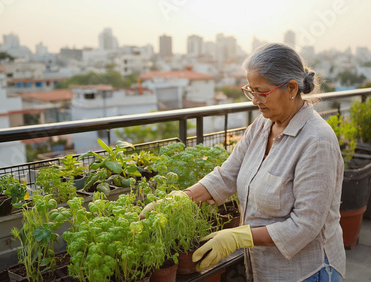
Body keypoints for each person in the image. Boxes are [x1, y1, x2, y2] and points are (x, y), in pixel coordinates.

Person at [142, 43, 346, 281]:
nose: (254, 101)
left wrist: (239, 237)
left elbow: (306, 225)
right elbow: (227, 174)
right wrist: (184, 197)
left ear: (291, 88)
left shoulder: (316, 141)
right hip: (265, 268)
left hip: (308, 271)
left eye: (262, 92)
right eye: (251, 90)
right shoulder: (262, 125)